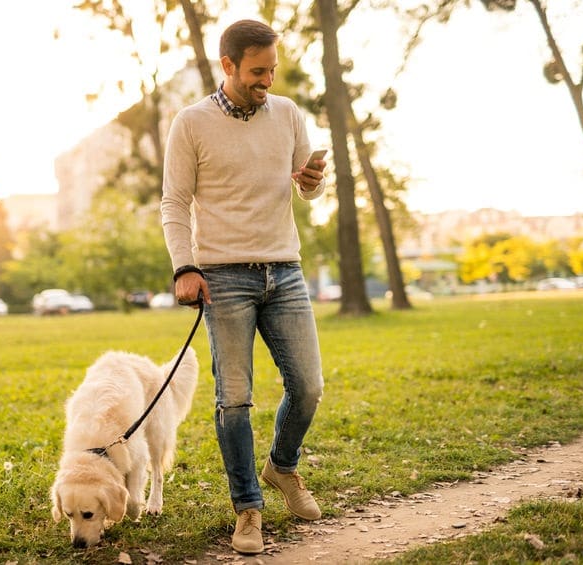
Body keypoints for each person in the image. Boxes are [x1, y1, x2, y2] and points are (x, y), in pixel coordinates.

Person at [160, 19, 327, 555]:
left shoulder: (288, 114)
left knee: (308, 388)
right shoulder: (191, 123)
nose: (267, 81)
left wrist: (313, 183)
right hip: (224, 277)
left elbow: (307, 192)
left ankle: (282, 468)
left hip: (286, 269)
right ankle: (248, 509)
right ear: (228, 65)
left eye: (272, 70)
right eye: (257, 72)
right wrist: (185, 267)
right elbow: (173, 203)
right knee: (234, 400)